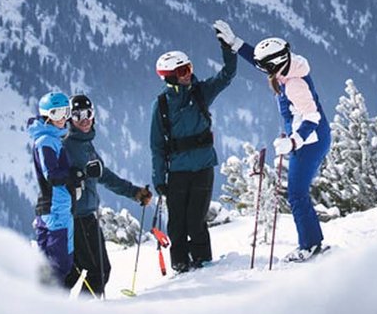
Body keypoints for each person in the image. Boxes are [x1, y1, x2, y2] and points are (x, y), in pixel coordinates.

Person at [149, 21, 242, 271]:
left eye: (188, 67)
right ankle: (180, 265)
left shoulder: (201, 92)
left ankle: (203, 262)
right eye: (181, 71)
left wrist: (228, 48)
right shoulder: (162, 106)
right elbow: (157, 146)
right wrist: (159, 179)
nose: (187, 73)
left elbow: (227, 75)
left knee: (195, 220)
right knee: (177, 222)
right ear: (169, 77)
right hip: (177, 171)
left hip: (202, 166)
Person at [234, 32, 332, 260]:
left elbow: (312, 116)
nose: (262, 70)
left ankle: (309, 246)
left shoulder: (294, 84)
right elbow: (260, 60)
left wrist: (293, 141)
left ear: (274, 64)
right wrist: (236, 43)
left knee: (297, 194)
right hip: (309, 139)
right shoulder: (287, 66)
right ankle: (313, 242)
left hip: (309, 143)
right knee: (298, 193)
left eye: (265, 67)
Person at [61, 92, 151, 296]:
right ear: (70, 119)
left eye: (88, 114)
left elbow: (104, 175)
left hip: (83, 217)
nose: (84, 120)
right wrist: (76, 177)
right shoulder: (67, 146)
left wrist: (135, 192)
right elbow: (56, 180)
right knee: (98, 272)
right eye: (78, 116)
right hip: (78, 217)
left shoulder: (84, 144)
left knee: (72, 273)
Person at [28, 92, 80, 289]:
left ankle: (42, 305)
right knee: (60, 263)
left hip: (52, 208)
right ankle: (54, 308)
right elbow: (52, 175)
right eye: (57, 113)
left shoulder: (50, 138)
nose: (63, 118)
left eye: (66, 112)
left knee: (47, 263)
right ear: (47, 115)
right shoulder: (46, 141)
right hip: (56, 209)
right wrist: (73, 175)